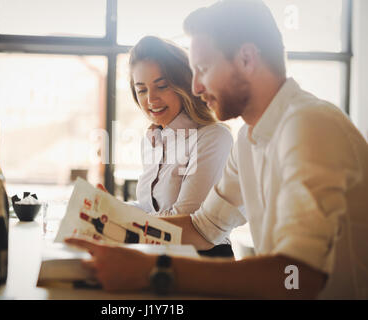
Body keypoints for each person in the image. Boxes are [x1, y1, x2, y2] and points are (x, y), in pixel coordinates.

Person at [67, 0, 368, 299]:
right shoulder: (248, 141)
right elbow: (202, 228)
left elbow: (298, 276)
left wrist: (152, 269)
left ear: (247, 59)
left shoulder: (308, 125)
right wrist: (115, 221)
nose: (195, 87)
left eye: (203, 68)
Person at [101, 36, 234, 256]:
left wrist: (120, 219)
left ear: (185, 84)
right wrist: (111, 208)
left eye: (161, 86)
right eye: (141, 90)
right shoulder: (153, 139)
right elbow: (150, 209)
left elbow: (186, 220)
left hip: (203, 262)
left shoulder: (213, 138)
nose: (151, 99)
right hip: (157, 255)